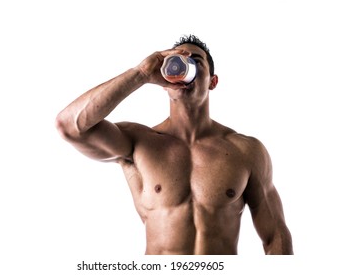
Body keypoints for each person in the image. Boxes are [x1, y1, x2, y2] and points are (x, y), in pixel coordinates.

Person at [55, 35, 293, 255]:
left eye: (196, 62)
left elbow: (275, 236)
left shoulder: (246, 150)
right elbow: (69, 125)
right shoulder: (137, 143)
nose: (184, 68)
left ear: (213, 81)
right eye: (176, 62)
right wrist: (141, 74)